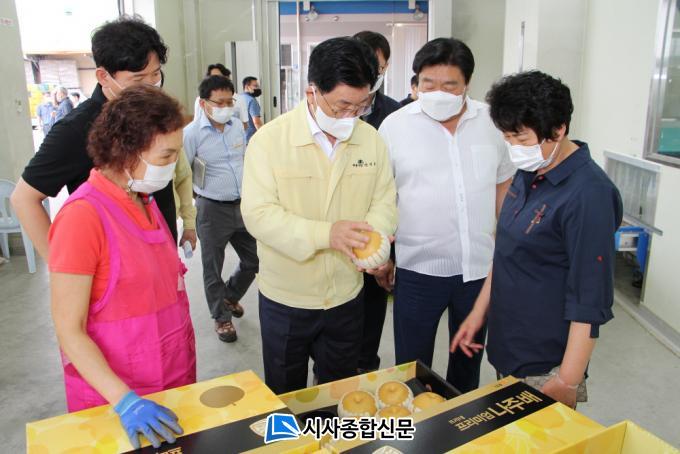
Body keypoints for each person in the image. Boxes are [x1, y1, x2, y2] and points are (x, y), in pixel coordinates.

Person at [451, 71, 623, 408]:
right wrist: (478, 313)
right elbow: (506, 252)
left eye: (521, 138)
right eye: (507, 138)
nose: (514, 149)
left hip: (546, 363)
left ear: (558, 129)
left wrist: (567, 381)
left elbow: (590, 298)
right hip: (509, 343)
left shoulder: (589, 195)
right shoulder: (530, 171)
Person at [241, 37, 397, 394]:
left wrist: (372, 242)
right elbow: (259, 215)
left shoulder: (371, 141)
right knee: (286, 395)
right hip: (286, 298)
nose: (352, 116)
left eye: (362, 105)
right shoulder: (269, 141)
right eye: (343, 105)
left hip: (345, 296)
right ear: (311, 92)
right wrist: (327, 235)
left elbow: (384, 201)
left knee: (336, 392)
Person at [49, 85, 196, 449]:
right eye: (166, 155)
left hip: (171, 377)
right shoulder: (83, 217)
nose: (174, 164)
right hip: (118, 398)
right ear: (126, 150)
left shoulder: (144, 200)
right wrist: (125, 402)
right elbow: (69, 329)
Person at [377, 38, 515, 393]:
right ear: (416, 82)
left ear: (467, 83)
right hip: (417, 270)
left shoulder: (492, 122)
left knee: (467, 364)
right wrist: (383, 254)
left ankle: (459, 420)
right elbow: (380, 197)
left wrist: (507, 248)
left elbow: (504, 184)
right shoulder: (394, 127)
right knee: (412, 368)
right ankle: (414, 423)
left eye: (449, 85)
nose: (438, 92)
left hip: (479, 269)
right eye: (428, 83)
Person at [11, 16, 178, 260]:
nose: (151, 84)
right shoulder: (76, 129)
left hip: (160, 254)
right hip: (115, 266)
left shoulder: (154, 112)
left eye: (155, 74)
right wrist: (65, 266)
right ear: (103, 76)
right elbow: (24, 198)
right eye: (139, 79)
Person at [184, 75, 258, 343]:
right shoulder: (191, 134)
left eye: (230, 101)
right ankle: (221, 318)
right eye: (220, 102)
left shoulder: (237, 126)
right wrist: (189, 215)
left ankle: (229, 296)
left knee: (254, 260)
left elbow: (243, 160)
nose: (226, 107)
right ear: (204, 103)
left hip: (242, 205)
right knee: (212, 267)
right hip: (211, 209)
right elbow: (183, 175)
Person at [351, 30, 401, 374]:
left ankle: (366, 374)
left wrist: (387, 254)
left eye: (378, 67)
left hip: (378, 239)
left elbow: (396, 189)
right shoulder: (329, 111)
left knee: (369, 327)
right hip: (335, 240)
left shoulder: (396, 117)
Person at [240, 76, 263, 142]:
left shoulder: (239, 98)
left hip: (240, 138)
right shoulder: (251, 101)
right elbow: (257, 122)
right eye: (255, 86)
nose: (258, 88)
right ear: (247, 87)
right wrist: (264, 135)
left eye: (258, 86)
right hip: (251, 138)